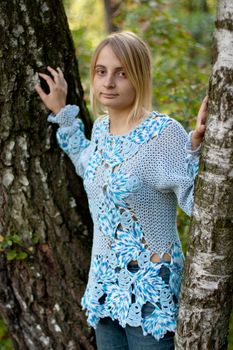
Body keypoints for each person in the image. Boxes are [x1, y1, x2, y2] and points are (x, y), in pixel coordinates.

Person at [35, 31, 208, 350]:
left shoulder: (163, 134)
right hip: (106, 291)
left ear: (140, 76)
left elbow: (197, 202)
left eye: (121, 73)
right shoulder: (101, 129)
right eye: (101, 71)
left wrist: (197, 148)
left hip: (150, 298)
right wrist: (62, 113)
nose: (109, 82)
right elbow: (89, 166)